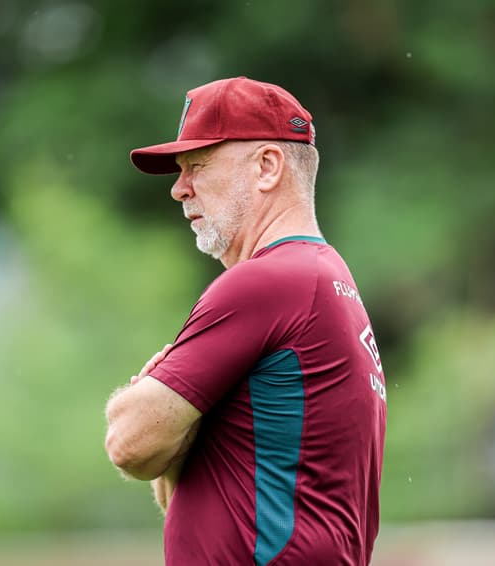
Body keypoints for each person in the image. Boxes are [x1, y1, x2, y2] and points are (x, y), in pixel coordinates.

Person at [104, 76, 387, 565]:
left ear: (267, 167)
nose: (179, 189)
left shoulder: (269, 282)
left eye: (198, 165)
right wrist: (180, 422)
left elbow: (130, 441)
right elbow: (173, 483)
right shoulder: (324, 278)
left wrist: (151, 399)